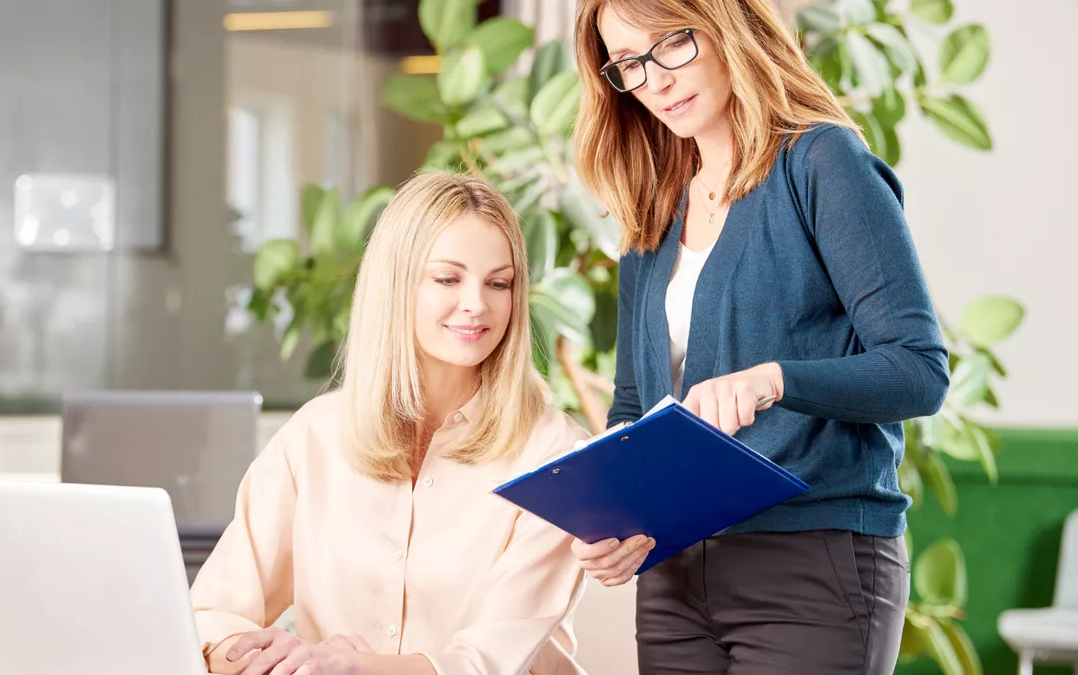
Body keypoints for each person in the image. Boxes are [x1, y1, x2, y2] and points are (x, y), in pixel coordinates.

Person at [566, 0, 950, 672]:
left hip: (813, 568)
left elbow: (919, 369)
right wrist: (618, 516)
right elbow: (634, 400)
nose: (654, 80)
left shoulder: (821, 162)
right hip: (674, 573)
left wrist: (776, 379)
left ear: (725, 25)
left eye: (671, 43)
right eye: (628, 63)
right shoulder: (654, 198)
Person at [189, 172, 591, 675]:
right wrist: (277, 661)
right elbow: (208, 618)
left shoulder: (556, 454)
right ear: (395, 283)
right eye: (447, 278)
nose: (477, 303)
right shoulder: (315, 436)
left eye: (499, 283)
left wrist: (351, 666)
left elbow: (487, 663)